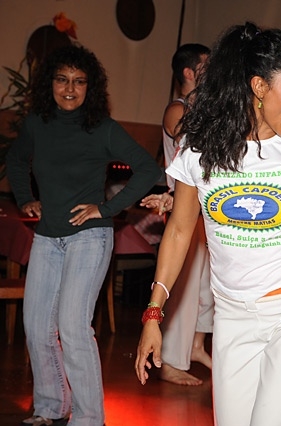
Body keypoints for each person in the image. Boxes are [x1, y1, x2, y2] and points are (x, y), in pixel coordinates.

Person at [135, 22, 281, 426]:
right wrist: (154, 312)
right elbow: (179, 231)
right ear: (259, 87)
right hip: (232, 315)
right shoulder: (200, 150)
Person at [7, 45, 162, 426]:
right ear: (50, 84)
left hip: (89, 237)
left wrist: (107, 209)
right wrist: (25, 199)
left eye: (79, 81)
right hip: (47, 236)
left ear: (90, 87)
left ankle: (89, 418)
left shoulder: (102, 128)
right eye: (62, 80)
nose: (70, 89)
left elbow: (147, 169)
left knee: (73, 327)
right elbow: (15, 159)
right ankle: (50, 406)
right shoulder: (36, 124)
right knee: (36, 326)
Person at [139, 43, 214, 386]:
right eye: (206, 65)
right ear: (189, 72)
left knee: (207, 288)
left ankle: (196, 347)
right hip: (182, 203)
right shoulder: (177, 109)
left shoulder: (207, 108)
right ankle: (169, 360)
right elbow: (190, 140)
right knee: (183, 287)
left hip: (208, 208)